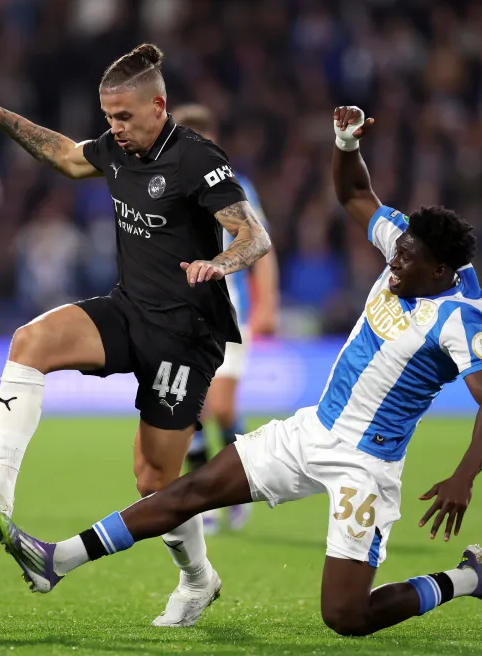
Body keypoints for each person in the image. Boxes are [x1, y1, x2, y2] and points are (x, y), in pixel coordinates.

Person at [0, 106, 482, 636]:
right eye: (396, 252)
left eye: (406, 261)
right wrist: (345, 142)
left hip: (366, 464)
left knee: (345, 616)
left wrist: (463, 478)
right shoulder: (407, 245)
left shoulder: (461, 318)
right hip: (313, 429)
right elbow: (357, 196)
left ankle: (469, 579)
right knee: (191, 490)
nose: (394, 263)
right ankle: (57, 559)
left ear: (441, 271)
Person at [0, 43, 271, 627]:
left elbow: (254, 234)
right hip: (128, 309)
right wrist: (3, 116)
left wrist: (223, 263)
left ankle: (198, 579)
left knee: (154, 478)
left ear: (159, 106)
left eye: (124, 117)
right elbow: (66, 155)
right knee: (29, 341)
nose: (114, 129)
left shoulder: (196, 158)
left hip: (185, 335)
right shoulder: (115, 149)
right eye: (108, 117)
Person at [172, 104, 279, 535]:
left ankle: (245, 482)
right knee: (186, 413)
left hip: (225, 314)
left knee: (220, 408)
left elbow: (260, 245)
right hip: (177, 316)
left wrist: (267, 302)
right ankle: (205, 502)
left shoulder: (233, 188)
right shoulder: (160, 186)